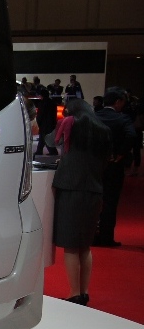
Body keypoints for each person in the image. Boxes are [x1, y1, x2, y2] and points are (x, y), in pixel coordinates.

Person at [51, 99, 111, 305]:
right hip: (94, 189)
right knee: (85, 246)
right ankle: (84, 292)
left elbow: (51, 140)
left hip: (71, 189)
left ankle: (74, 293)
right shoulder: (103, 130)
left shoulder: (69, 123)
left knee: (70, 246)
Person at [93, 87, 135, 246]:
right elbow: (131, 136)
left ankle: (91, 234)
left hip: (94, 165)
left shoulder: (94, 117)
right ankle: (106, 237)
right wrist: (120, 154)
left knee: (93, 200)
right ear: (118, 102)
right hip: (113, 166)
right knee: (110, 201)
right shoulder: (123, 119)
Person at [34, 88, 58, 156]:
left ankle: (52, 151)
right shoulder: (52, 102)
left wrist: (38, 122)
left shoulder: (42, 103)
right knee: (44, 137)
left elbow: (40, 114)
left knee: (44, 137)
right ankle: (40, 150)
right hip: (51, 123)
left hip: (44, 123)